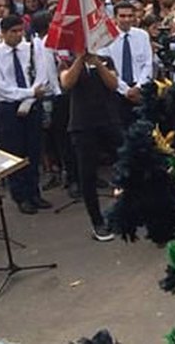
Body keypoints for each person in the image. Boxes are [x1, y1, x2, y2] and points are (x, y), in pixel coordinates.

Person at [0, 15, 51, 214]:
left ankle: (34, 192)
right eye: (13, 32)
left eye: (20, 31)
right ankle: (20, 195)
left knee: (34, 149)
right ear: (3, 33)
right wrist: (28, 93)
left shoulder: (32, 48)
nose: (18, 35)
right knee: (14, 152)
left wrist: (33, 94)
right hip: (9, 108)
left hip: (32, 105)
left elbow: (41, 74)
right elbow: (2, 88)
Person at [59, 50, 121, 241]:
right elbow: (67, 83)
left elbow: (113, 84)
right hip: (82, 124)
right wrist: (79, 61)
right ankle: (97, 222)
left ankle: (130, 208)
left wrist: (98, 64)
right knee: (87, 175)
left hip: (108, 120)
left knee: (127, 161)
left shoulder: (106, 59)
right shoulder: (66, 62)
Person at [104, 2, 153, 127]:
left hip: (139, 90)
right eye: (123, 16)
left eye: (130, 16)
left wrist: (138, 87)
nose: (127, 19)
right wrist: (125, 90)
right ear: (115, 18)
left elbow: (148, 64)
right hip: (116, 91)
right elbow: (106, 67)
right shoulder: (106, 37)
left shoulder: (142, 35)